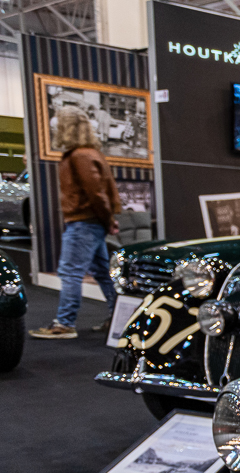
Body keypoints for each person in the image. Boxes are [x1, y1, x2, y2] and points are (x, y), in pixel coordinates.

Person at [30, 107, 121, 339]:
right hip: (92, 223)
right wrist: (108, 220)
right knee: (103, 272)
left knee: (70, 272)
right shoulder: (90, 153)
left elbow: (96, 194)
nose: (55, 128)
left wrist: (108, 219)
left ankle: (64, 324)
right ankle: (118, 318)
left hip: (83, 223)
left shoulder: (80, 156)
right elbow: (101, 193)